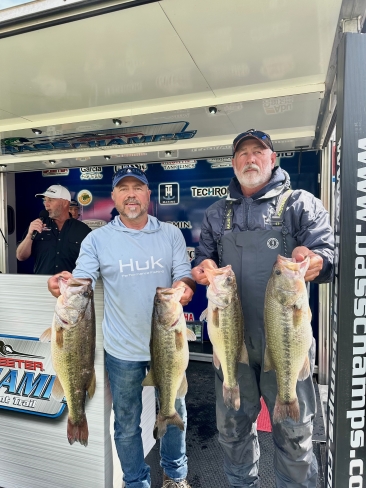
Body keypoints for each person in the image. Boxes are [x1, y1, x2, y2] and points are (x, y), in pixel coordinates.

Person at [192, 129, 334, 488]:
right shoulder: (215, 214)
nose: (250, 159)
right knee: (232, 431)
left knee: (294, 434)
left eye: (259, 152)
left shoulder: (300, 203)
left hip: (286, 341)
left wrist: (315, 260)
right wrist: (203, 269)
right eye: (242, 153)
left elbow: (329, 255)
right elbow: (203, 260)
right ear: (234, 162)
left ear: (273, 160)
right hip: (233, 343)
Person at [47, 166, 195, 488]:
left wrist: (183, 287)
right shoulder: (98, 239)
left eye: (137, 188)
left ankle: (175, 476)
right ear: (113, 196)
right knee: (126, 425)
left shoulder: (170, 234)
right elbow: (81, 280)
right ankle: (135, 482)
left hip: (168, 344)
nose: (131, 194)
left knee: (173, 410)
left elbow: (185, 276)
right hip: (122, 350)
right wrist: (61, 285)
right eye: (123, 189)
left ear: (148, 195)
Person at [16, 184, 91, 275]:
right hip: (42, 285)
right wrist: (29, 235)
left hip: (70, 286)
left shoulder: (83, 230)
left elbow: (92, 262)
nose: (46, 205)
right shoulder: (37, 225)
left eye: (50, 200)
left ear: (65, 203)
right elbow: (20, 256)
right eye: (45, 200)